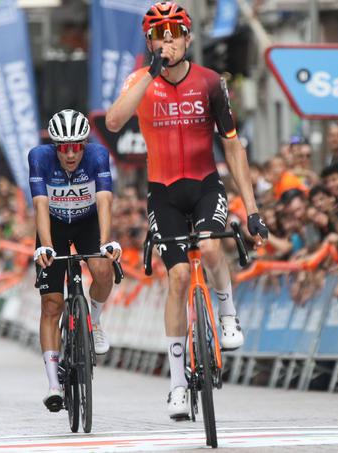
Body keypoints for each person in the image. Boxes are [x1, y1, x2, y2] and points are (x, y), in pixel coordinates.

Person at [104, 1, 269, 419]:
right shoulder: (140, 80)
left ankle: (228, 315)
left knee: (212, 249)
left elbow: (232, 145)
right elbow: (113, 122)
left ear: (188, 38)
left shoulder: (211, 82)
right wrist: (150, 76)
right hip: (162, 190)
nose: (168, 41)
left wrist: (251, 209)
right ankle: (177, 384)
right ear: (150, 41)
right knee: (177, 278)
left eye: (174, 32)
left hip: (204, 184)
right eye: (159, 34)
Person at [28, 109, 122, 412]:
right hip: (53, 224)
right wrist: (45, 247)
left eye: (77, 146)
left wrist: (106, 240)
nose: (71, 154)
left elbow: (105, 199)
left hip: (87, 223)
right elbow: (40, 205)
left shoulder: (97, 155)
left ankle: (93, 320)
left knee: (102, 270)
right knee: (51, 305)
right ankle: (54, 384)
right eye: (64, 148)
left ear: (85, 144)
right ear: (55, 147)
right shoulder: (39, 158)